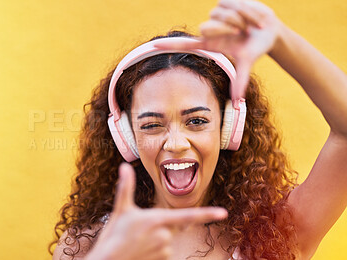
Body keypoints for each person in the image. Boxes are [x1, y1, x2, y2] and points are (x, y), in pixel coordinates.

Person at [50, 0, 347, 259]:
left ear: (228, 128)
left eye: (196, 121)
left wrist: (279, 38)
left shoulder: (277, 233)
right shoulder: (85, 246)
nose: (176, 143)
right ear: (127, 138)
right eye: (152, 125)